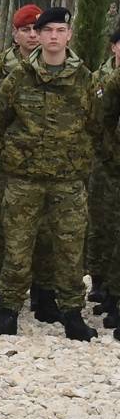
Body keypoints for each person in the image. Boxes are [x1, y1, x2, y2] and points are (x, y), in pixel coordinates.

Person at [0, 7, 98, 340]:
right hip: (24, 180)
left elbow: (96, 125)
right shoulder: (19, 76)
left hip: (67, 180)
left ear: (69, 35)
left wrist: (79, 161)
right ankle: (8, 312)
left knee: (69, 249)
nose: (51, 36)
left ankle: (72, 315)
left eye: (59, 30)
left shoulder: (84, 79)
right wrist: (9, 159)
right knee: (17, 248)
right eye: (46, 29)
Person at [0, 3, 47, 312]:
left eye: (36, 29)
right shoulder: (2, 67)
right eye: (25, 30)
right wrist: (3, 144)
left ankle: (44, 291)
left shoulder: (56, 65)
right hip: (11, 163)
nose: (32, 35)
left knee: (45, 228)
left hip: (49, 162)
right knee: (5, 225)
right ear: (14, 34)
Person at [89, 30, 120, 326]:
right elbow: (101, 121)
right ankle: (104, 286)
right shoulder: (103, 78)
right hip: (109, 164)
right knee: (106, 226)